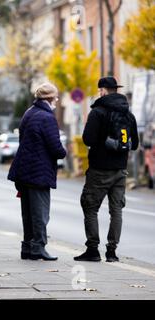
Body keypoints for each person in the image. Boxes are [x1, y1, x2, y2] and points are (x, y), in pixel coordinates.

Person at [74, 76, 139, 263]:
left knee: (90, 206)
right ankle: (112, 252)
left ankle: (93, 249)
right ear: (115, 90)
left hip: (99, 170)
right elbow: (134, 145)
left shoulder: (98, 112)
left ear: (102, 90)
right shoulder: (129, 114)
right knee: (116, 210)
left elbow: (87, 139)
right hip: (121, 170)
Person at [8, 83, 66, 261]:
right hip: (39, 172)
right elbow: (55, 147)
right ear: (49, 99)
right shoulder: (47, 117)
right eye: (55, 98)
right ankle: (38, 247)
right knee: (40, 213)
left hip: (24, 170)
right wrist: (64, 152)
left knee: (28, 212)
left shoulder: (29, 113)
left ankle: (27, 247)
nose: (56, 101)